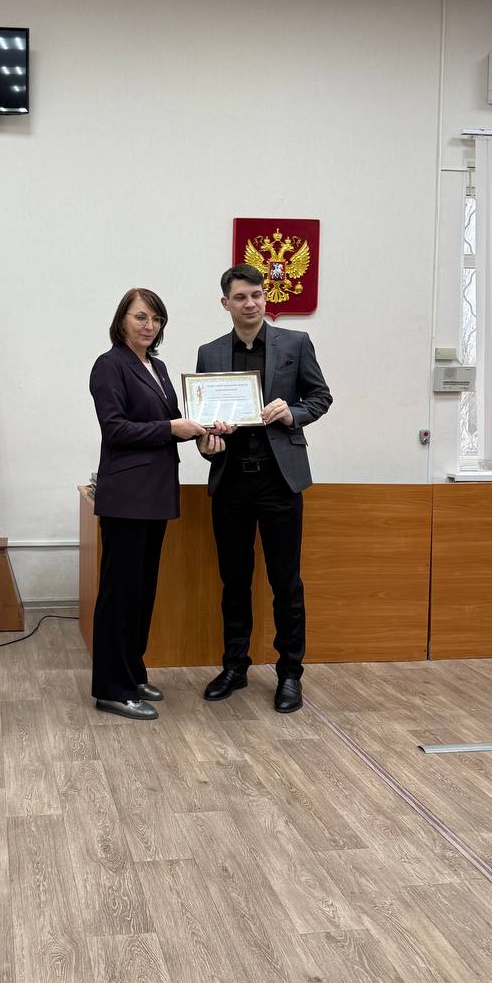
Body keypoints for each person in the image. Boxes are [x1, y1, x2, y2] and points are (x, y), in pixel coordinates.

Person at [196, 264, 332, 712]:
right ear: (226, 303)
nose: (250, 303)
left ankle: (290, 673)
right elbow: (203, 422)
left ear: (265, 297)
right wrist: (206, 443)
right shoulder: (210, 353)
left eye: (256, 295)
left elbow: (320, 397)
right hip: (231, 480)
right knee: (234, 581)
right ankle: (235, 666)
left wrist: (293, 413)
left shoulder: (295, 343)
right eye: (240, 297)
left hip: (279, 480)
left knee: (285, 582)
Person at [89, 288, 206, 719]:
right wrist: (173, 428)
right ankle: (111, 689)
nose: (148, 325)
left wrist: (205, 432)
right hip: (126, 497)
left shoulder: (157, 367)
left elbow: (173, 424)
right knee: (120, 595)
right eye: (140, 317)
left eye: (156, 319)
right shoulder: (109, 365)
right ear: (122, 319)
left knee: (141, 593)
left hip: (155, 495)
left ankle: (133, 673)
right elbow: (116, 429)